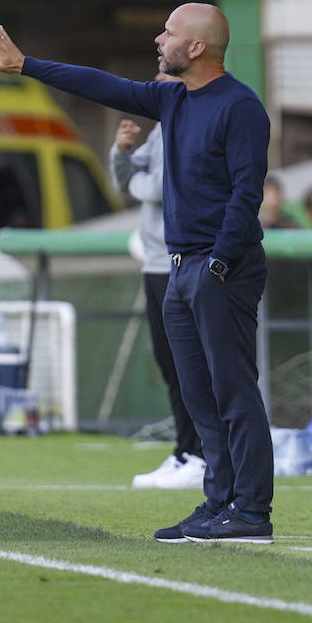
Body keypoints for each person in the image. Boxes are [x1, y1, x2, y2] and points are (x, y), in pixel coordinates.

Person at [0, 5, 275, 544]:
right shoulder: (173, 98)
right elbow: (102, 85)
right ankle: (218, 503)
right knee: (198, 395)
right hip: (179, 267)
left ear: (197, 49)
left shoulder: (240, 107)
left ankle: (252, 513)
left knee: (233, 390)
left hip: (218, 268)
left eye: (169, 33)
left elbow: (246, 194)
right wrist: (27, 66)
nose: (159, 40)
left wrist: (219, 263)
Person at [111, 109, 206, 490]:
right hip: (154, 264)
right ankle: (185, 451)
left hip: (179, 262)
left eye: (163, 70)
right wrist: (121, 152)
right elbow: (124, 179)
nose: (157, 77)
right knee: (170, 365)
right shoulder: (160, 129)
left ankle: (203, 455)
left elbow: (158, 189)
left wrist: (139, 177)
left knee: (192, 366)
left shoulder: (190, 125)